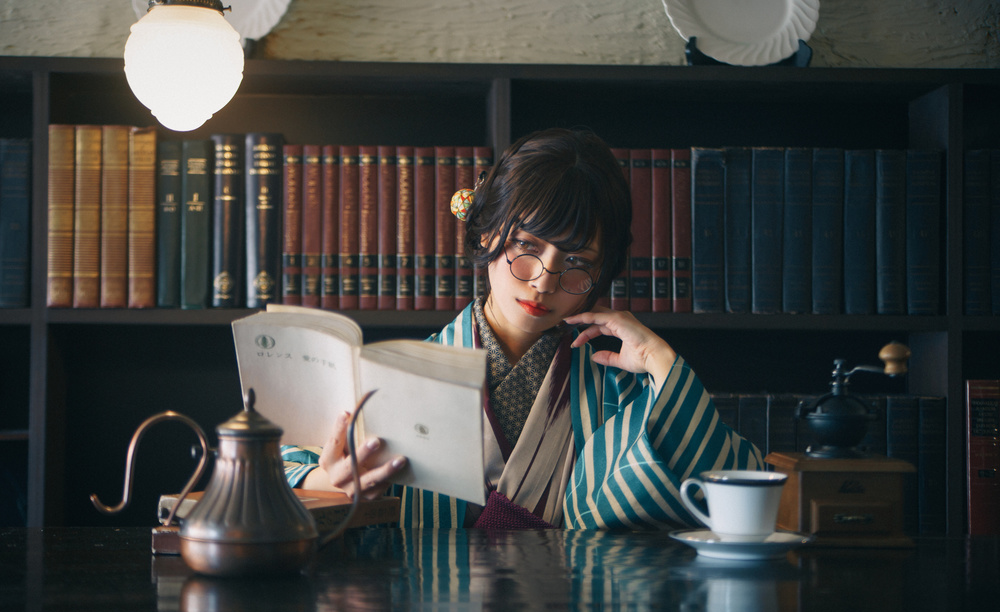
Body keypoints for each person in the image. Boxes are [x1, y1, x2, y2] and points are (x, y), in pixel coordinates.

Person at [282, 128, 763, 529]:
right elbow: (279, 469)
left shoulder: (625, 388)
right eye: (526, 246)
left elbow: (737, 485)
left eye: (577, 262)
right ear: (486, 233)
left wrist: (661, 360)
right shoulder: (393, 382)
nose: (543, 281)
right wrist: (335, 482)